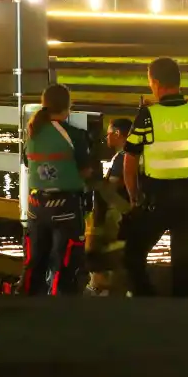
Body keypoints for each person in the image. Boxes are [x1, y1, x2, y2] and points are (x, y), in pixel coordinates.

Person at [122, 57, 188, 297]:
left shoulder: (147, 115)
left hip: (157, 198)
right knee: (184, 262)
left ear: (157, 83)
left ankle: (148, 300)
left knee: (133, 254)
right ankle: (181, 315)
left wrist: (133, 197)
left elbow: (129, 160)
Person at [22, 84, 94, 296]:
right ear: (68, 106)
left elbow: (28, 163)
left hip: (36, 207)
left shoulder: (33, 133)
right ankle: (62, 313)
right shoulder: (74, 135)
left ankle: (26, 309)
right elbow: (86, 170)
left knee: (35, 264)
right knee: (65, 265)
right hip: (66, 208)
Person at [84, 118, 133, 296]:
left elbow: (111, 188)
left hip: (116, 215)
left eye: (109, 134)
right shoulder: (135, 154)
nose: (107, 138)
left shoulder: (122, 157)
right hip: (128, 214)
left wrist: (94, 182)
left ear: (118, 134)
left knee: (100, 256)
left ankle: (99, 290)